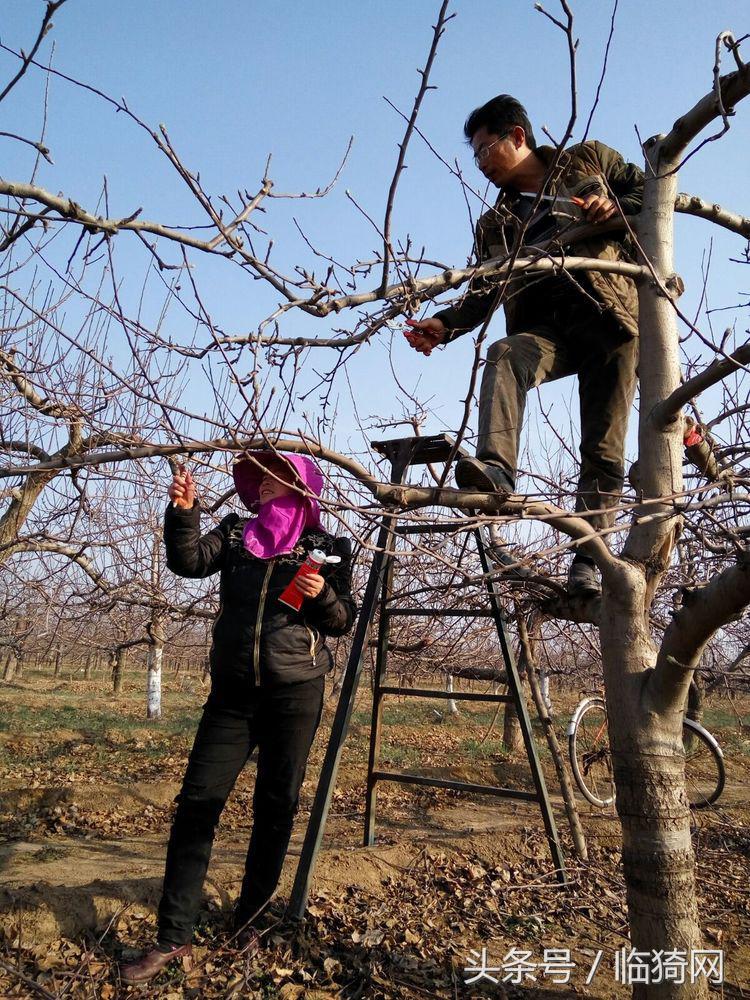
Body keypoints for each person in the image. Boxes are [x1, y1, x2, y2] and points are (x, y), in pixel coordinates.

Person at [120, 452, 357, 984]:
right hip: (232, 695)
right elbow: (188, 562)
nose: (268, 483)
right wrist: (184, 514)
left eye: (280, 476)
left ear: (302, 487)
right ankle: (173, 936)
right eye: (264, 476)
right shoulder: (234, 535)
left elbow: (343, 621)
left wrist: (321, 600)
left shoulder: (326, 548)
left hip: (295, 692)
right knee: (197, 804)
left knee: (276, 805)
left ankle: (247, 919)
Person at [404, 94, 643, 595]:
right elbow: (483, 293)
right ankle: (496, 471)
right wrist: (443, 325)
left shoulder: (588, 160)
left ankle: (588, 561)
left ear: (517, 136)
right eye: (474, 156)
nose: (481, 164)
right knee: (506, 352)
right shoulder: (494, 225)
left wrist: (613, 207)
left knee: (603, 451)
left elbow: (652, 194)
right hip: (549, 330)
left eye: (485, 149)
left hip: (610, 321)